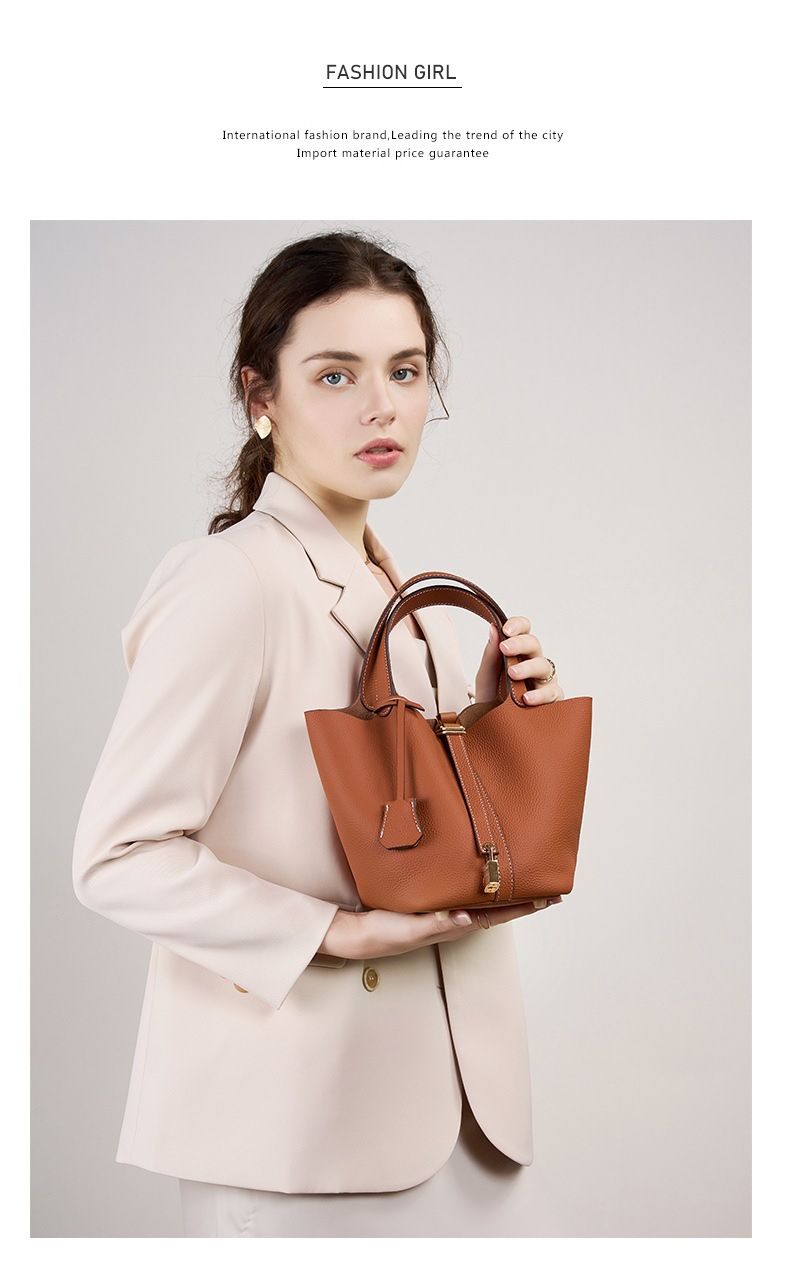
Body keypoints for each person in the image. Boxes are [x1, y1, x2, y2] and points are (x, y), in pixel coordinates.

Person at [72, 229, 567, 1238]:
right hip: (298, 1128)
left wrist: (492, 726)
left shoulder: (403, 593)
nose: (381, 406)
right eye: (335, 374)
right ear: (261, 395)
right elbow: (117, 856)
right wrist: (329, 933)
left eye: (405, 370)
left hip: (465, 1122)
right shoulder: (232, 581)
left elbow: (399, 835)